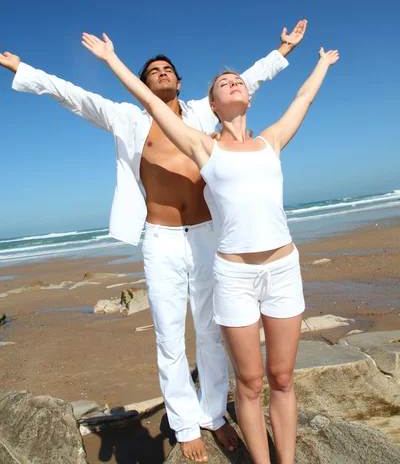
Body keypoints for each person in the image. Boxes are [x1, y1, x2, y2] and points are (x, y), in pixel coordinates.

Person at [0, 21, 307, 463]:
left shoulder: (203, 113)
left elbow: (249, 79)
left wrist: (283, 49)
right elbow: (72, 94)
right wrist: (23, 68)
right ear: (143, 84)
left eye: (168, 69)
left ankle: (215, 416)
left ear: (180, 81)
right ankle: (185, 424)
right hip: (160, 239)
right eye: (152, 71)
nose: (161, 72)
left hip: (209, 238)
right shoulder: (126, 117)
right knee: (168, 336)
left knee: (211, 331)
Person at [80, 31, 338, 464]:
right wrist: (110, 58)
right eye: (224, 83)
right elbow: (145, 97)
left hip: (281, 268)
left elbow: (303, 100)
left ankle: (249, 437)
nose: (235, 82)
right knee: (251, 382)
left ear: (249, 99)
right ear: (211, 108)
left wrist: (319, 63)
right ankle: (206, 429)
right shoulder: (203, 146)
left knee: (280, 376)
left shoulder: (270, 140)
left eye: (239, 81)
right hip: (228, 269)